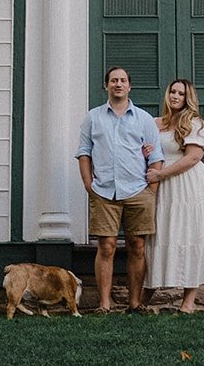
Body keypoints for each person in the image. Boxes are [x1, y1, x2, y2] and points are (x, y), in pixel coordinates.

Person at [76, 65, 163, 313]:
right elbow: (84, 152)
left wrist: (151, 190)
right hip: (104, 192)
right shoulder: (93, 117)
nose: (118, 84)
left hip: (138, 191)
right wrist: (87, 184)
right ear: (106, 86)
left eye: (123, 80)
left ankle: (134, 303)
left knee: (137, 246)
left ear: (129, 86)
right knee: (107, 247)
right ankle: (105, 304)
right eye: (113, 80)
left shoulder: (144, 119)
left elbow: (155, 156)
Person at [145, 79, 204, 313]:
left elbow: (192, 157)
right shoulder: (155, 123)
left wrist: (160, 174)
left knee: (190, 234)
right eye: (173, 92)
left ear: (189, 99)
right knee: (160, 235)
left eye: (181, 94)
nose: (176, 96)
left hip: (188, 185)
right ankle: (144, 296)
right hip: (163, 187)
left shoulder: (195, 124)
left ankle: (188, 301)